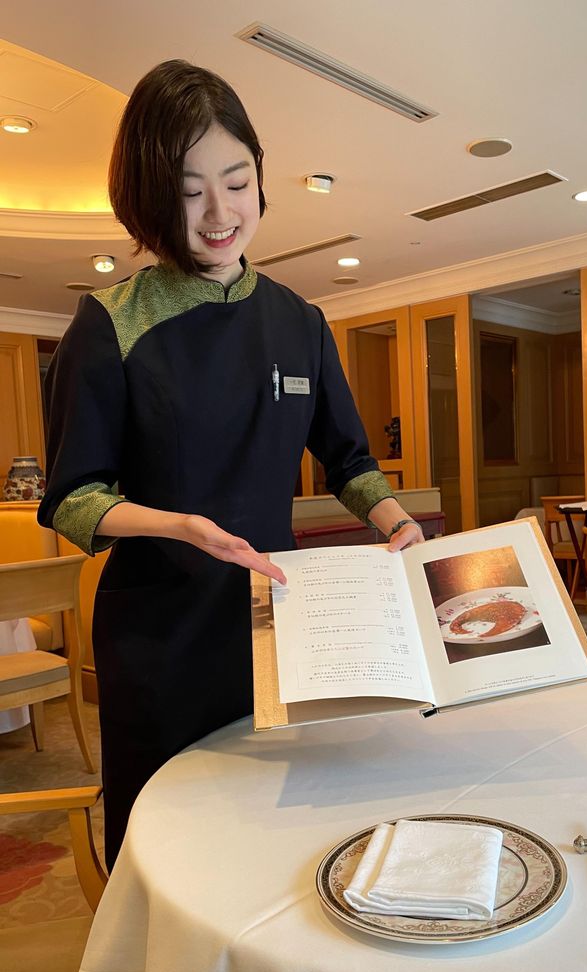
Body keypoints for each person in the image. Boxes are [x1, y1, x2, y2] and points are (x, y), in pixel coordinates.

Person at [38, 59, 423, 870]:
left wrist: (396, 522)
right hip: (162, 634)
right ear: (148, 197)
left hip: (277, 625)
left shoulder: (299, 322)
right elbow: (73, 499)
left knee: (274, 838)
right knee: (170, 846)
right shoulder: (110, 325)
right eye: (189, 191)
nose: (220, 213)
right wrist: (180, 524)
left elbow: (349, 458)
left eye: (238, 181)